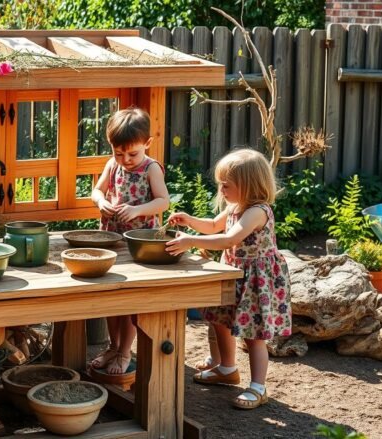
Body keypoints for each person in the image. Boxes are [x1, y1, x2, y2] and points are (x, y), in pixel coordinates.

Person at [165, 148, 292, 410]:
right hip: (234, 274)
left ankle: (258, 387)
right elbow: (213, 226)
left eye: (226, 185)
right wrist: (189, 221)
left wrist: (190, 241)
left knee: (253, 335)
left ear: (248, 186)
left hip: (255, 279)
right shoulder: (235, 206)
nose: (221, 189)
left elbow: (229, 239)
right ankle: (227, 368)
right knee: (220, 322)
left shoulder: (257, 212)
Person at [89, 107, 169, 375]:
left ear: (147, 143)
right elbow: (97, 190)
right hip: (112, 241)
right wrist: (101, 201)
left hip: (140, 246)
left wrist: (137, 209)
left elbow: (163, 202)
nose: (125, 160)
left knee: (130, 302)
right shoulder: (113, 165)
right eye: (118, 153)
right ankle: (113, 345)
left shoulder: (151, 168)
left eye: (132, 153)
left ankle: (125, 351)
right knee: (112, 301)